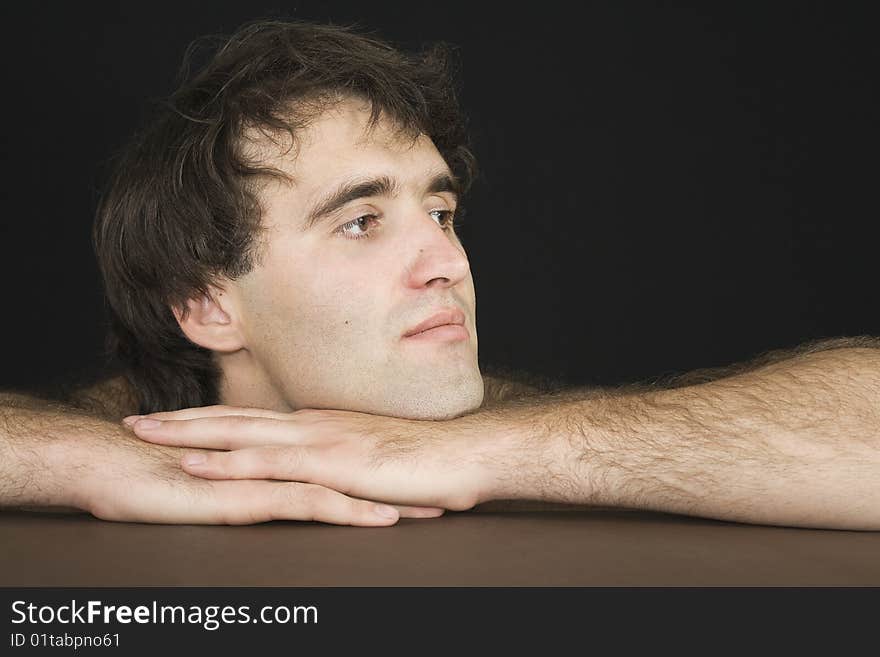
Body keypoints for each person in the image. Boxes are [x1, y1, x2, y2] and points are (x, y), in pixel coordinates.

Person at [1, 19, 878, 530]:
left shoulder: (515, 427)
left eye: (442, 212)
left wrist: (479, 452)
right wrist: (84, 463)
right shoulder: (111, 436)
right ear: (206, 301)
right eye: (360, 220)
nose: (448, 263)